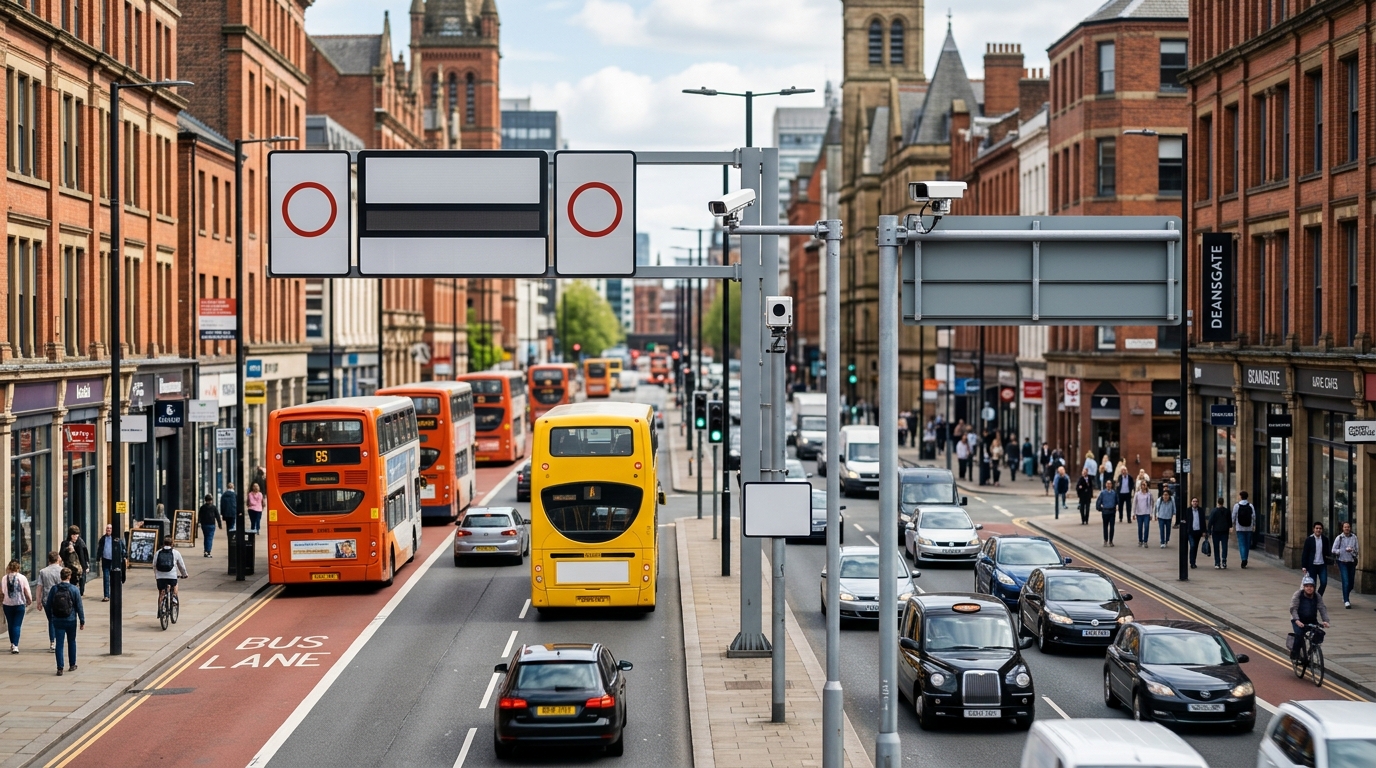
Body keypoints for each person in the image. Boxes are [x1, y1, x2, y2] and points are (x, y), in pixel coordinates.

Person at [44, 567, 83, 675]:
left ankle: (60, 668)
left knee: (59, 644)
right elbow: (79, 606)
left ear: (60, 576)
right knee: (71, 641)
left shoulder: (54, 589)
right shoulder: (74, 589)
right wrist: (82, 620)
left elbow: (48, 605)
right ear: (69, 576)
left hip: (58, 620)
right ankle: (72, 664)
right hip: (71, 620)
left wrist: (51, 616)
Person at [1288, 575, 1329, 661]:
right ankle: (1295, 653)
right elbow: (1293, 609)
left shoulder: (1317, 596)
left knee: (1319, 635)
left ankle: (1311, 652)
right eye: (1307, 586)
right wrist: (1297, 621)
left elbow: (1322, 608)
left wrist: (1325, 620)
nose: (1309, 588)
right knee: (1299, 635)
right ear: (1304, 587)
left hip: (1311, 620)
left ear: (1314, 587)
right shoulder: (1298, 594)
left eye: (1311, 586)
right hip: (1298, 620)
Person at [3, 560, 33, 654]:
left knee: (10, 624)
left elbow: (1, 591)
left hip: (7, 604)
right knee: (17, 625)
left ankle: (12, 643)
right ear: (18, 568)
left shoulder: (4, 578)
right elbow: (26, 590)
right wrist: (29, 600)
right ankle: (15, 645)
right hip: (19, 604)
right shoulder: (22, 578)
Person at [36, 552, 63, 652]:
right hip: (60, 600)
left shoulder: (43, 571)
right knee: (59, 620)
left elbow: (39, 587)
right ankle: (58, 640)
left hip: (47, 599)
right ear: (57, 559)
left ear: (49, 560)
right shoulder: (62, 571)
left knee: (51, 620)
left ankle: (52, 642)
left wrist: (38, 601)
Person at [1331, 522, 1359, 608]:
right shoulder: (1339, 538)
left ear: (1350, 528)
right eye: (1345, 527)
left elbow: (1357, 550)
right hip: (1342, 561)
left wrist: (1352, 550)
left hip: (1351, 562)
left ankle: (1345, 594)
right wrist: (1340, 551)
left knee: (1351, 584)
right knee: (1345, 581)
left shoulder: (1354, 537)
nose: (1347, 528)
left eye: (1348, 527)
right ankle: (1347, 600)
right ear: (1342, 528)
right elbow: (1333, 550)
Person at [154, 541, 190, 606]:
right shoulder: (176, 552)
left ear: (163, 544)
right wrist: (184, 574)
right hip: (172, 576)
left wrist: (156, 574)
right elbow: (181, 566)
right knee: (175, 584)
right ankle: (174, 597)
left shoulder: (158, 552)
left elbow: (154, 565)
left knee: (161, 592)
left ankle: (160, 610)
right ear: (172, 544)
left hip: (160, 576)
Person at [1300, 522, 1331, 596]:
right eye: (1317, 528)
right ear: (1313, 529)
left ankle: (1318, 597)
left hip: (1322, 565)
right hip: (1312, 566)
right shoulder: (1309, 540)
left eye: (1320, 528)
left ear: (1322, 530)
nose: (1318, 530)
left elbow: (1327, 552)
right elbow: (1305, 553)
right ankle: (1313, 600)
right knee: (1312, 584)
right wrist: (1304, 566)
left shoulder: (1325, 539)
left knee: (1324, 582)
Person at [95, 524, 123, 602]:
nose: (109, 530)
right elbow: (100, 548)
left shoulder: (115, 539)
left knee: (114, 578)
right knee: (106, 578)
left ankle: (114, 594)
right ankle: (106, 595)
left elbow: (121, 548)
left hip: (114, 561)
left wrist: (123, 556)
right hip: (105, 560)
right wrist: (98, 558)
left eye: (110, 528)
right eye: (107, 528)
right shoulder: (103, 539)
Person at [59, 525, 89, 596]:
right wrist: (68, 550)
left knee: (82, 585)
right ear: (70, 535)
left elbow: (85, 554)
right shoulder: (65, 543)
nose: (75, 537)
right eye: (73, 535)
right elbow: (61, 555)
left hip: (81, 567)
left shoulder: (81, 543)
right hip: (70, 568)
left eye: (77, 534)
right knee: (72, 586)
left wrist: (87, 566)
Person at [1231, 491, 1257, 568]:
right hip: (1249, 528)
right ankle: (1246, 558)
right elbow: (1254, 516)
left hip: (1239, 527)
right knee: (1247, 544)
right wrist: (1254, 525)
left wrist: (1231, 525)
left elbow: (1233, 516)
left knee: (1242, 544)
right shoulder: (1251, 505)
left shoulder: (1236, 506)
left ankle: (1243, 559)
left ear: (1240, 496)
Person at [1181, 497, 1206, 568]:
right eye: (1193, 501)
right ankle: (1192, 562)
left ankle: (1193, 561)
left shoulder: (1201, 510)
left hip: (1198, 531)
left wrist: (1204, 531)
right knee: (1192, 545)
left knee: (1195, 547)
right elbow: (1184, 520)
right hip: (1190, 531)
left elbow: (1203, 521)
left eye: (1196, 501)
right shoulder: (1188, 510)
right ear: (1191, 502)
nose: (1195, 503)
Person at [1208, 498, 1232, 569]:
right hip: (1225, 531)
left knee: (1216, 547)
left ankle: (1217, 562)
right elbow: (1229, 521)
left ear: (1217, 502)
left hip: (1216, 531)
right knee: (1224, 546)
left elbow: (1210, 521)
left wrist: (1209, 530)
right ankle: (1224, 561)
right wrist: (1230, 528)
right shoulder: (1227, 511)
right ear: (1223, 502)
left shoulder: (1214, 511)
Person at [1133, 482, 1154, 547]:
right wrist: (1133, 513)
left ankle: (1145, 541)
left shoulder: (1149, 494)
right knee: (1140, 527)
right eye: (1142, 485)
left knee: (1146, 526)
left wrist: (1151, 513)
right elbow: (1134, 503)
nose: (1143, 486)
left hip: (1146, 513)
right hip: (1139, 513)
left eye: (1145, 485)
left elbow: (1151, 504)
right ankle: (1140, 540)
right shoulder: (1137, 494)